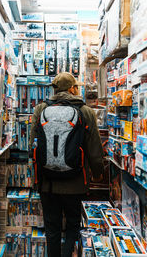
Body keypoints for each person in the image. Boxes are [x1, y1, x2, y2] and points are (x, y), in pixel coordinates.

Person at [29, 72, 104, 257]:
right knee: (72, 226)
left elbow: (33, 146)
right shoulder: (85, 111)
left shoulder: (40, 109)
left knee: (52, 229)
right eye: (76, 86)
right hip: (76, 182)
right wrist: (98, 172)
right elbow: (94, 147)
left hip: (48, 183)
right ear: (72, 89)